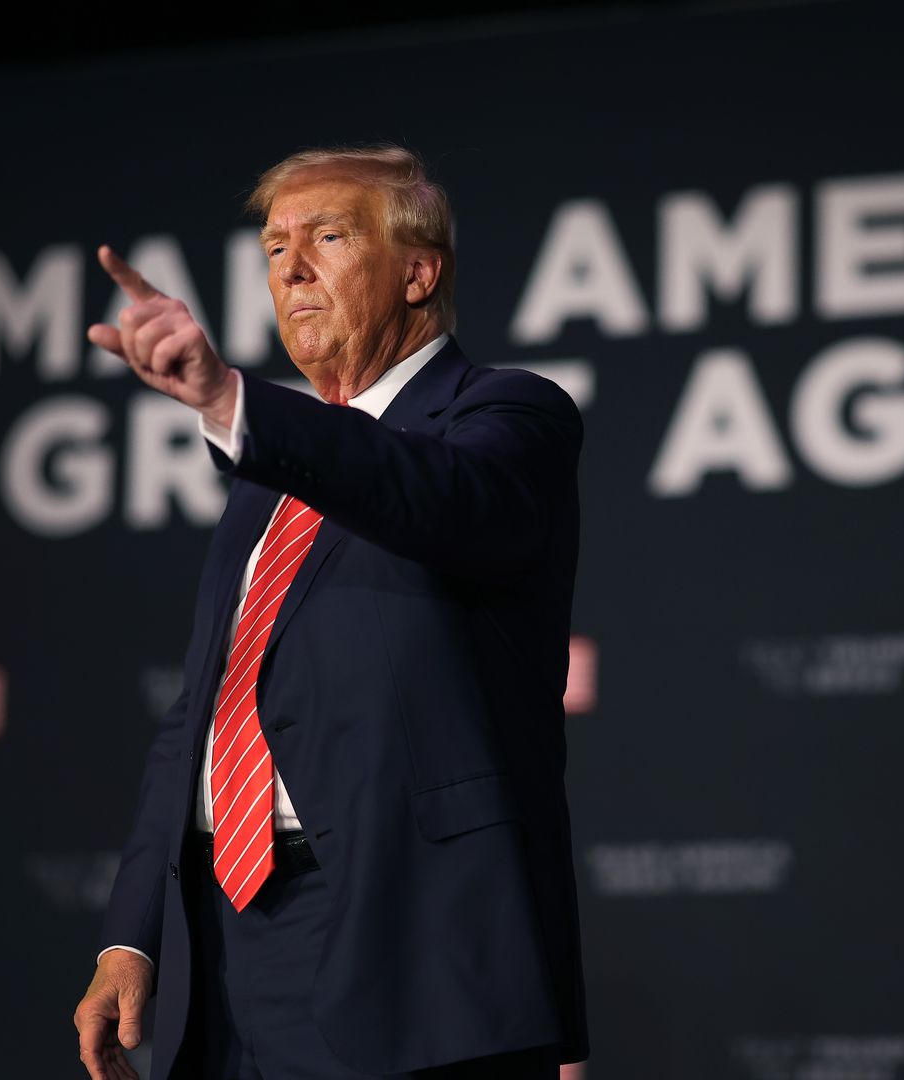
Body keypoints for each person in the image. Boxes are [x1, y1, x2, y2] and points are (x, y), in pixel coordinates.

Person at [71, 144, 588, 1079]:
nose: (291, 269)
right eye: (274, 249)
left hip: (411, 944)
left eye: (329, 237)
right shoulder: (265, 488)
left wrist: (233, 401)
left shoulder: (508, 416)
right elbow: (201, 712)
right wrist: (131, 940)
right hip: (221, 958)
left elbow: (430, 495)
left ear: (420, 272)